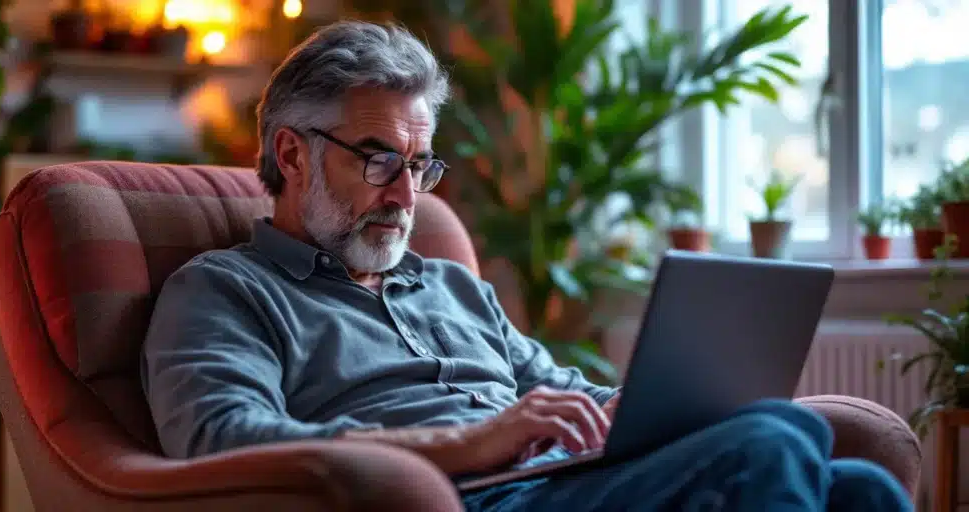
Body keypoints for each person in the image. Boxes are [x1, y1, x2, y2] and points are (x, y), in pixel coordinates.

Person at [140, 20, 912, 512]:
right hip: (465, 501)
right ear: (290, 154)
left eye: (420, 164)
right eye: (379, 161)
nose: (407, 194)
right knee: (772, 443)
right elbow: (225, 442)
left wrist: (641, 408)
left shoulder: (449, 286)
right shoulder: (223, 292)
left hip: (559, 483)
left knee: (860, 488)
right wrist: (467, 446)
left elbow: (562, 391)